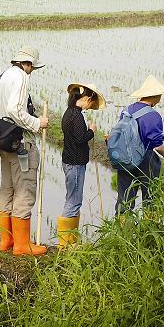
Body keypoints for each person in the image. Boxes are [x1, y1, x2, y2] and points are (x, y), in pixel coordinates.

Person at [0, 46, 50, 257]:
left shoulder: (5, 75)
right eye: (32, 67)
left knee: (7, 187)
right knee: (25, 189)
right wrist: (37, 123)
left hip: (4, 141)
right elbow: (14, 109)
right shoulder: (20, 76)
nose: (32, 71)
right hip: (20, 142)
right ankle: (21, 245)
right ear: (27, 64)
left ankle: (6, 240)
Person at [114, 76, 164, 214]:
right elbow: (157, 144)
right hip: (145, 159)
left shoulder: (127, 110)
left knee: (124, 196)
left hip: (125, 157)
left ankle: (121, 227)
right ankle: (149, 226)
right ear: (155, 96)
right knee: (150, 195)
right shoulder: (153, 115)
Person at [59, 83, 106, 249]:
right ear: (87, 98)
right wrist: (92, 130)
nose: (90, 107)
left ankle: (70, 241)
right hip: (75, 163)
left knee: (72, 198)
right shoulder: (77, 116)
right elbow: (80, 138)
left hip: (69, 161)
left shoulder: (68, 113)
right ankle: (65, 244)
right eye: (91, 104)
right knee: (74, 201)